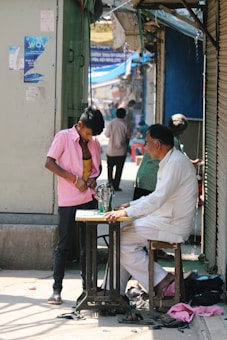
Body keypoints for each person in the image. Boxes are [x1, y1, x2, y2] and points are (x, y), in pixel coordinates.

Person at [101, 124, 198, 300]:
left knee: (120, 240)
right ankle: (111, 290)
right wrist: (130, 204)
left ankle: (162, 279)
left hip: (172, 224)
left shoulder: (175, 163)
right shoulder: (169, 161)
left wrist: (127, 212)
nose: (145, 147)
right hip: (165, 219)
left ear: (158, 144)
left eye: (147, 143)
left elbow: (157, 199)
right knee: (121, 239)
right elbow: (156, 196)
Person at [45, 107, 104, 305]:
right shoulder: (63, 137)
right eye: (88, 133)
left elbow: (98, 167)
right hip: (69, 201)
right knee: (64, 245)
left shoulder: (94, 143)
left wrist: (93, 179)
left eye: (93, 135)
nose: (90, 138)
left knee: (88, 246)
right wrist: (73, 179)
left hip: (89, 198)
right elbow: (49, 163)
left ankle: (88, 289)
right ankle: (56, 289)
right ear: (79, 126)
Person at [105, 107, 131, 191]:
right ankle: (116, 186)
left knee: (110, 168)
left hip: (111, 151)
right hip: (121, 151)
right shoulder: (126, 123)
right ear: (124, 115)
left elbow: (107, 134)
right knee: (119, 170)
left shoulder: (112, 123)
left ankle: (110, 183)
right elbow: (128, 136)